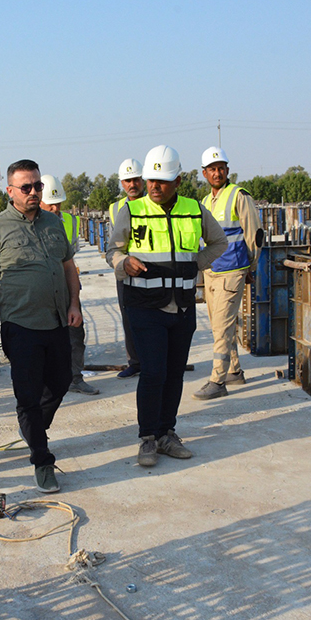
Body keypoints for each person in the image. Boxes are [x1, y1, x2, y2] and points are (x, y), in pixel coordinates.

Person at [107, 145, 227, 467]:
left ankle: (166, 433)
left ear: (178, 181)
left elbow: (219, 242)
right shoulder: (131, 211)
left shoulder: (194, 209)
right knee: (154, 372)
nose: (154, 187)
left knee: (174, 374)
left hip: (183, 307)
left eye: (162, 181)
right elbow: (112, 251)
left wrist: (196, 264)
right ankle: (147, 437)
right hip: (145, 307)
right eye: (151, 181)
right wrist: (124, 262)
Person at [0, 159, 81, 493]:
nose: (35, 192)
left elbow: (68, 268)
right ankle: (42, 459)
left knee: (62, 380)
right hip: (20, 325)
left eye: (37, 185)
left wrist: (75, 304)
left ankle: (32, 426)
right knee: (28, 395)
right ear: (11, 191)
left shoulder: (54, 223)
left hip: (56, 320)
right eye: (27, 187)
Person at [193, 147, 263, 400]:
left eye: (221, 167)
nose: (217, 172)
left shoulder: (238, 196)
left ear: (228, 170)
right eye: (212, 169)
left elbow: (254, 234)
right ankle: (234, 370)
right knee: (219, 326)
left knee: (222, 327)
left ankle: (217, 380)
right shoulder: (205, 201)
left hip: (233, 271)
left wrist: (250, 267)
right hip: (213, 272)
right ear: (204, 173)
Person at [39, 174, 99, 396]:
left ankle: (75, 377)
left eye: (58, 203)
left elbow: (71, 259)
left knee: (75, 334)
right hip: (42, 290)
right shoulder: (31, 224)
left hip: (66, 286)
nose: (55, 208)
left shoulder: (71, 222)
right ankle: (46, 383)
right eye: (50, 204)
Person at [110, 158, 145, 379]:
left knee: (152, 317)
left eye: (135, 179)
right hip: (125, 270)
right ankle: (135, 362)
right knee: (128, 316)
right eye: (127, 181)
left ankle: (154, 360)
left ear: (142, 180)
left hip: (149, 269)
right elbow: (114, 245)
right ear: (121, 183)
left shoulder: (152, 203)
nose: (132, 184)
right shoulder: (115, 208)